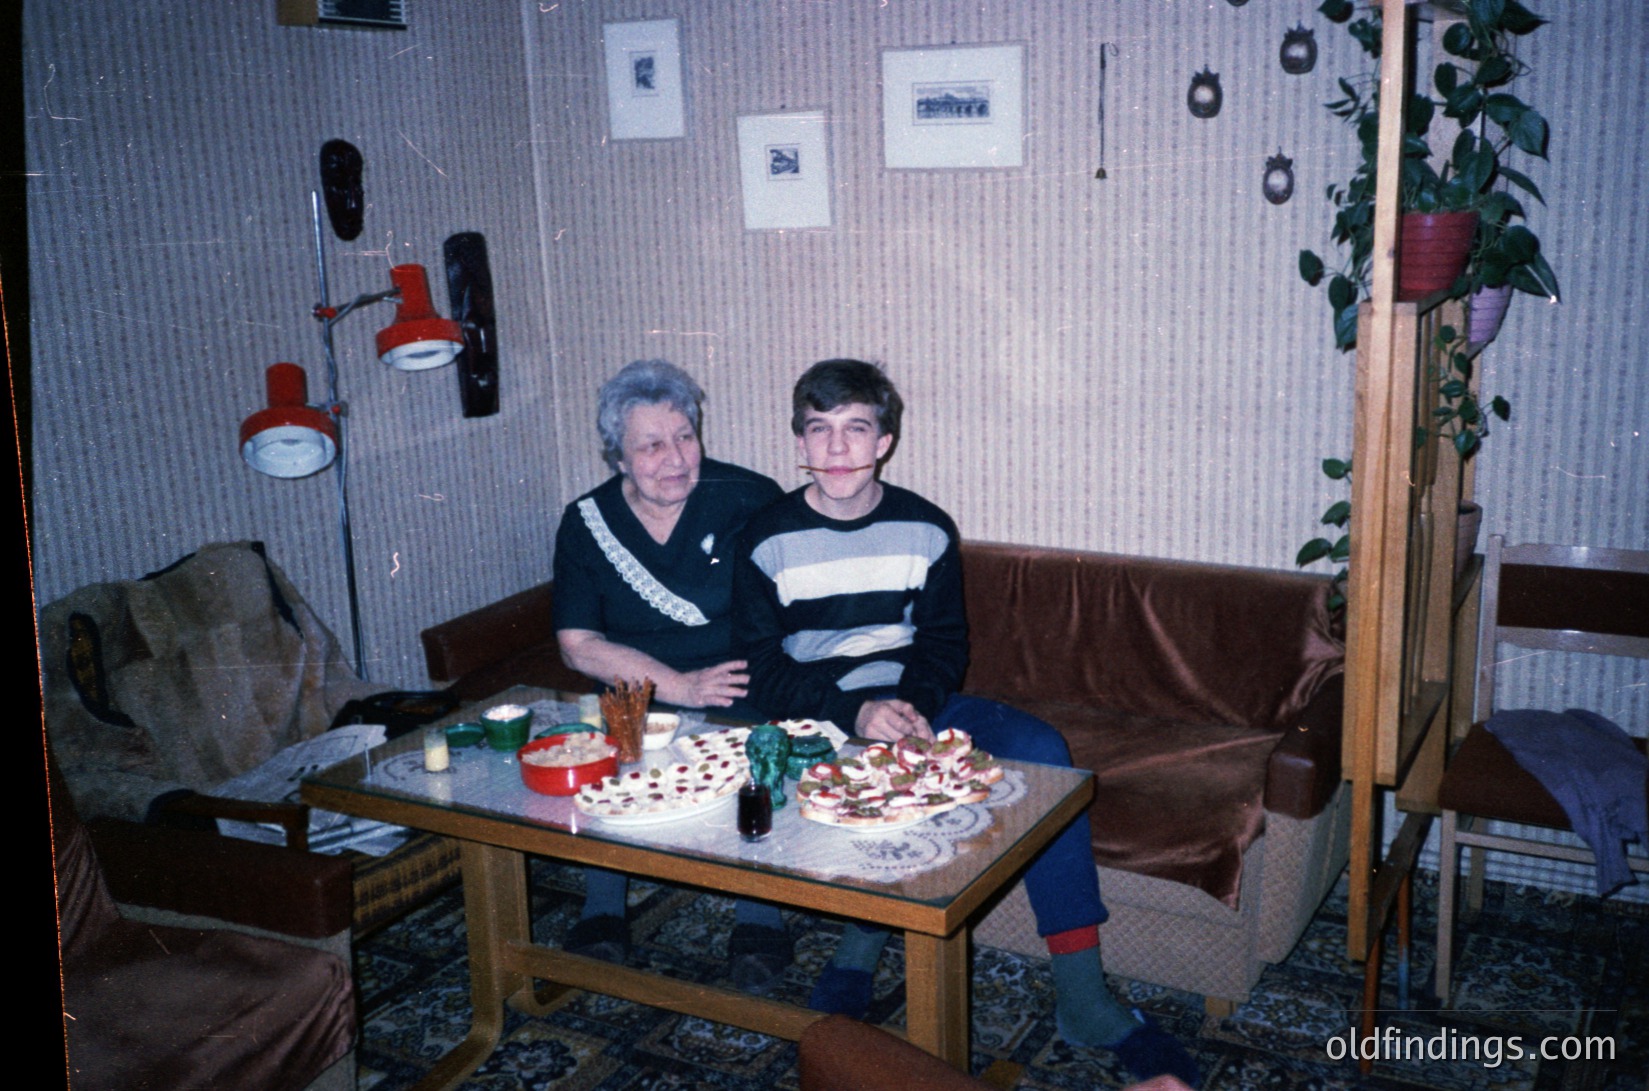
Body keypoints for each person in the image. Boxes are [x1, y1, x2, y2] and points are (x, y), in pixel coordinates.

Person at [733, 359, 1201, 1087]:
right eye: (818, 430)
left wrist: (912, 706)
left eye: (855, 429)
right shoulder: (765, 536)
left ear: (884, 439)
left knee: (1045, 755)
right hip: (820, 714)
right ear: (797, 438)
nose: (836, 450)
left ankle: (1083, 996)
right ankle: (859, 946)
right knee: (870, 772)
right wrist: (855, 710)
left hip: (918, 699)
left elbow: (944, 642)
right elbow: (762, 666)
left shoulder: (925, 526)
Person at [552, 358, 791, 989]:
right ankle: (603, 910)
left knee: (752, 758)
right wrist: (676, 687)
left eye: (685, 437)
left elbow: (790, 603)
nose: (676, 458)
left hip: (738, 679)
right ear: (619, 457)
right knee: (612, 749)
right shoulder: (585, 522)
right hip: (636, 686)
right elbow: (578, 644)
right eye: (652, 445)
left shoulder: (748, 497)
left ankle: (759, 917)